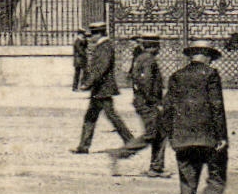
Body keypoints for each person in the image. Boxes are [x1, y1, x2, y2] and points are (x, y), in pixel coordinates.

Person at [162, 39, 229, 194]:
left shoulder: (176, 75)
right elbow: (216, 106)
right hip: (208, 137)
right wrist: (222, 136)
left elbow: (167, 108)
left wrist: (171, 135)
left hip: (182, 138)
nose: (211, 61)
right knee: (216, 179)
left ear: (192, 55)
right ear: (206, 56)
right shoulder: (210, 74)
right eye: (211, 57)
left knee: (187, 182)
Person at [72, 21, 135, 154]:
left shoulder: (105, 47)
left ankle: (130, 141)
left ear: (99, 34)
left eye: (92, 35)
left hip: (103, 88)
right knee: (91, 117)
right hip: (100, 88)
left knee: (110, 116)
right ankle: (83, 146)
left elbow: (101, 68)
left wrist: (87, 83)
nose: (90, 38)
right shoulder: (102, 46)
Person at [122, 36, 169, 177]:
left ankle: (156, 167)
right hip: (148, 103)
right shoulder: (149, 60)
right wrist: (155, 102)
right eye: (158, 45)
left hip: (143, 101)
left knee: (160, 133)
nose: (159, 48)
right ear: (154, 47)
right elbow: (146, 83)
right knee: (152, 134)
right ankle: (121, 153)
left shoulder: (141, 58)